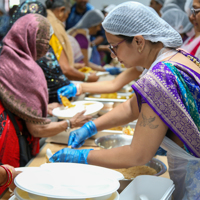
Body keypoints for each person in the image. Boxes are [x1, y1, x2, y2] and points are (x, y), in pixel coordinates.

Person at [49, 2, 200, 199]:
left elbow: (138, 155)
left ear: (138, 41)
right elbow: (133, 106)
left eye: (114, 47)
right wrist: (91, 127)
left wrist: (81, 156)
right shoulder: (172, 57)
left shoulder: (161, 76)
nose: (113, 55)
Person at [0, 13, 91, 168]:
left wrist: (44, 109)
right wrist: (70, 123)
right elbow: (37, 129)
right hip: (9, 141)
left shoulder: (5, 57)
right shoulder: (28, 70)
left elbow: (14, 101)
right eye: (46, 40)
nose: (48, 46)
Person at [45, 0, 99, 83]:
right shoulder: (54, 27)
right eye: (68, 13)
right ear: (61, 10)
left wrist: (72, 65)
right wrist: (86, 77)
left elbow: (53, 60)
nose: (67, 17)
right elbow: (64, 68)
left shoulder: (44, 20)